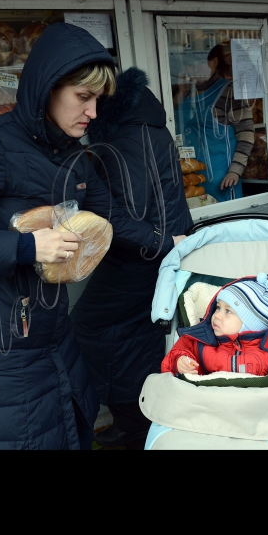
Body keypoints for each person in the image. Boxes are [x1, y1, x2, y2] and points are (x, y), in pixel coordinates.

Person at [0, 22, 186, 450]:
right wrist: (27, 246)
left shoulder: (71, 152)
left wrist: (167, 242)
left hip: (52, 330)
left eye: (98, 100)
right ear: (48, 89)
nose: (93, 112)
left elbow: (109, 215)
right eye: (83, 98)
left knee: (71, 425)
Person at [69, 67, 193, 448]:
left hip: (144, 253)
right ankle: (140, 424)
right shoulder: (144, 121)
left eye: (90, 101)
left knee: (95, 329)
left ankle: (135, 427)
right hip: (158, 248)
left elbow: (129, 210)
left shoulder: (122, 133)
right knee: (137, 334)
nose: (86, 112)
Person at [161, 273, 268, 392]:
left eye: (228, 311)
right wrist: (180, 361)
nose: (217, 316)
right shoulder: (201, 340)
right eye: (218, 308)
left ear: (253, 324)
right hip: (213, 408)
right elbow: (178, 351)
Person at [173, 43, 255, 202]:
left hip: (223, 181)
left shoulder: (230, 91)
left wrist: (235, 171)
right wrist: (181, 93)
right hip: (192, 181)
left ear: (214, 62)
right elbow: (172, 122)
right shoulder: (187, 93)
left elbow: (246, 135)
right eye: (189, 63)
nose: (194, 68)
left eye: (199, 62)